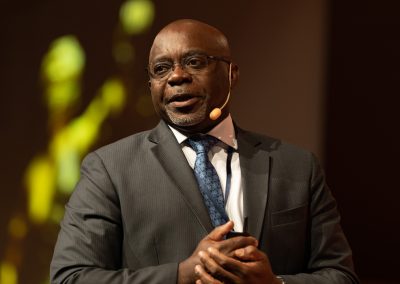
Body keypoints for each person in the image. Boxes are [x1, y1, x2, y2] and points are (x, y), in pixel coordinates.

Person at [50, 19, 359, 284]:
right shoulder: (110, 168)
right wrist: (181, 275)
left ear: (231, 74)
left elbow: (340, 275)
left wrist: (275, 283)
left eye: (195, 62)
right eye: (161, 69)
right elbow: (71, 277)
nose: (176, 76)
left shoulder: (296, 167)